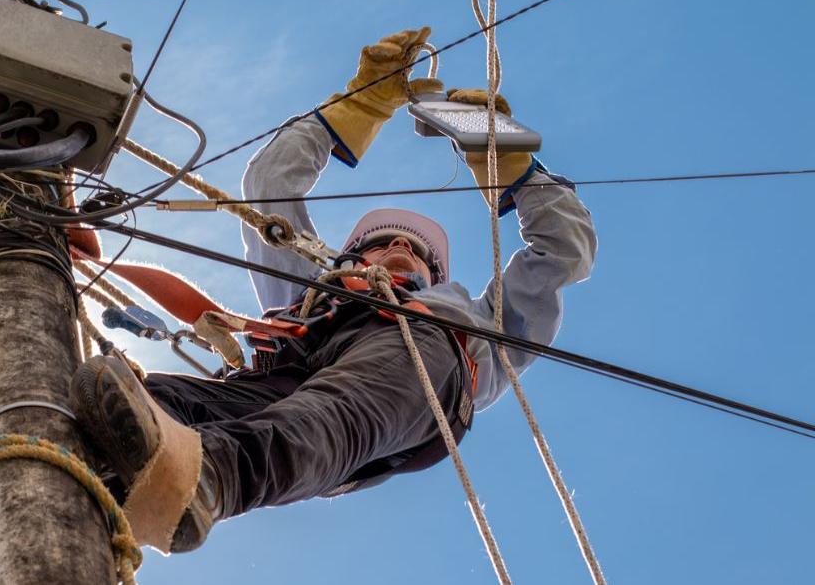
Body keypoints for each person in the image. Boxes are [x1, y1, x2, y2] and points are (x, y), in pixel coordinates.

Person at [70, 27, 597, 555]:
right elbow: (271, 184)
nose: (401, 249)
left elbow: (561, 251)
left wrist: (513, 166)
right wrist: (361, 106)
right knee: (150, 401)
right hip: (288, 374)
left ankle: (208, 477)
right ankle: (77, 466)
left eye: (419, 253)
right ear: (352, 254)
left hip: (397, 383)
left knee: (324, 415)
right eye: (383, 241)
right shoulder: (312, 287)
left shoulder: (472, 327)